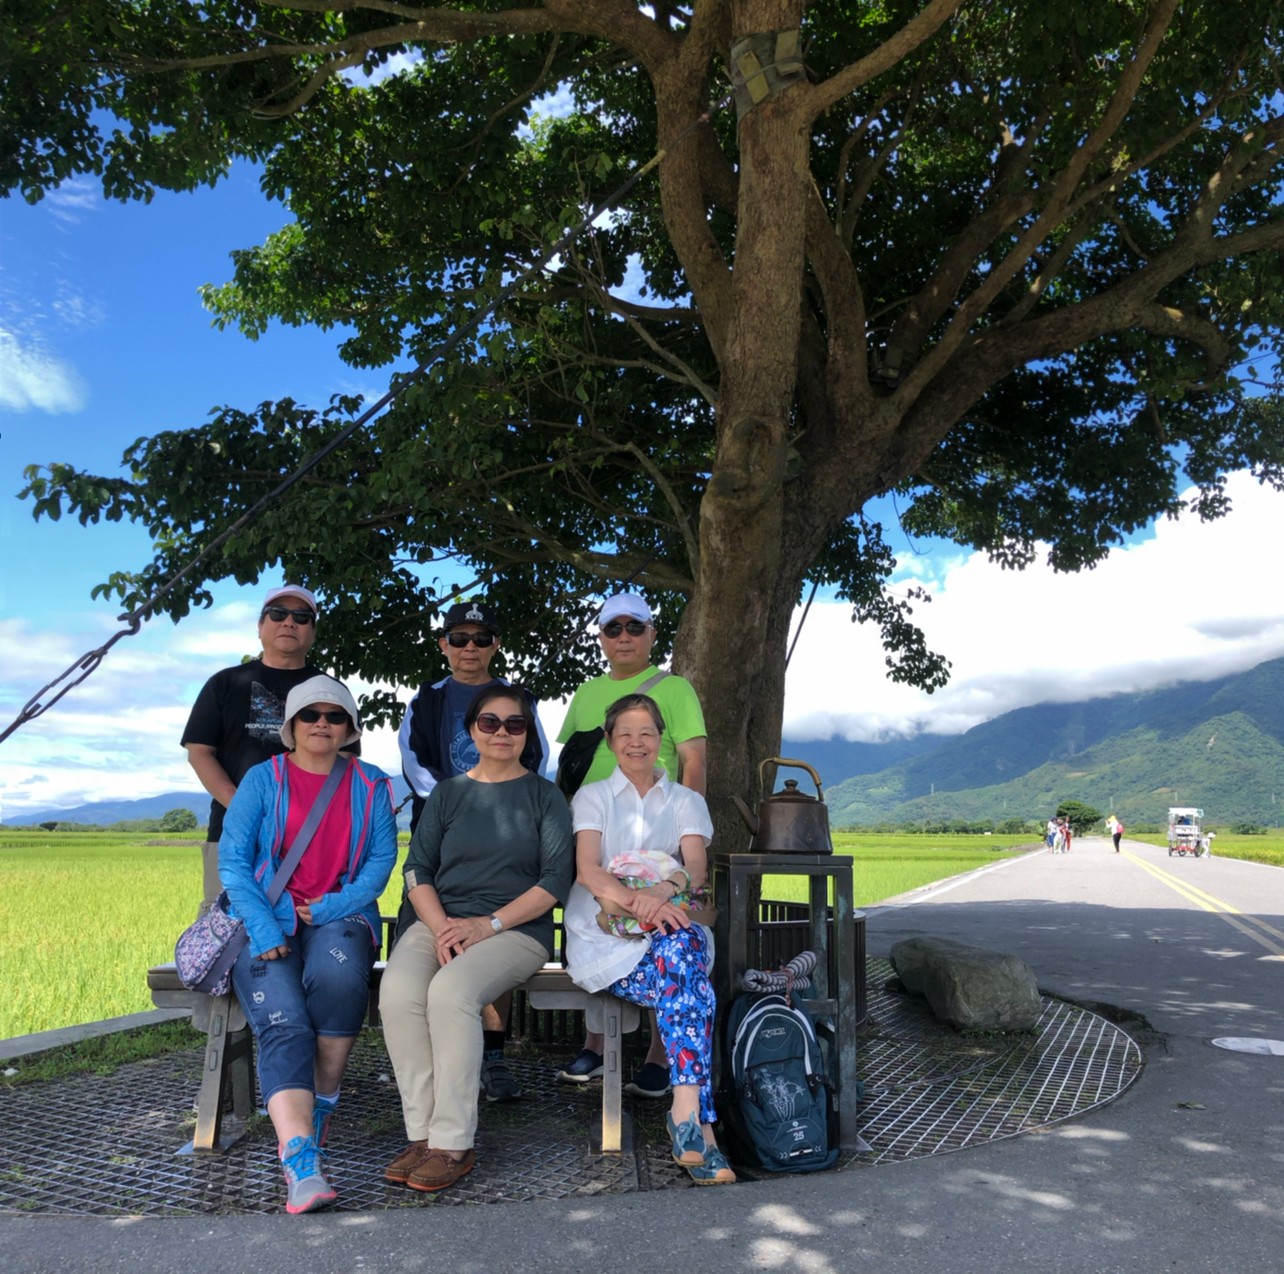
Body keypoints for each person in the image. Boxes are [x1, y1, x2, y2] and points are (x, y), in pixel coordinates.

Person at [380, 686, 573, 1194]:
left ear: (527, 733)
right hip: (441, 921)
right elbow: (417, 868)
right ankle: (422, 1134)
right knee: (399, 992)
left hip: (515, 930)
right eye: (490, 722)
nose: (502, 732)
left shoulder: (544, 796)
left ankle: (453, 1143)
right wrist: (444, 926)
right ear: (471, 731)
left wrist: (486, 926)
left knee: (451, 993)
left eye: (515, 724)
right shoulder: (447, 794)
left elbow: (553, 882)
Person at [218, 675, 396, 1215]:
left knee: (341, 976)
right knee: (286, 1018)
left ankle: (322, 1099)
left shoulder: (370, 783)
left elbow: (379, 866)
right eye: (310, 715)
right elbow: (234, 861)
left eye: (335, 715)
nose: (323, 723)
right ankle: (300, 1159)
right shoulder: (260, 780)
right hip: (265, 918)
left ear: (350, 728)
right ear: (290, 727)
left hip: (339, 916)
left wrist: (325, 908)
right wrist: (267, 928)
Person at [562, 693, 735, 1185]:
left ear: (662, 740)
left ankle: (688, 1116)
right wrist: (639, 903)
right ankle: (700, 1126)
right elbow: (588, 870)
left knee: (680, 952)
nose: (636, 743)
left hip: (674, 920)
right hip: (607, 931)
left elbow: (695, 867)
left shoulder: (686, 800)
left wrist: (663, 891)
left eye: (647, 733)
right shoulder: (594, 796)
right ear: (611, 741)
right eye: (625, 734)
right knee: (691, 987)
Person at [555, 592, 708, 1097]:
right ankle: (686, 1106)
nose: (623, 636)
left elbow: (693, 761)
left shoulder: (677, 689)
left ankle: (663, 1060)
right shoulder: (586, 693)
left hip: (658, 836)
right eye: (613, 627)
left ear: (651, 635)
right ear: (601, 636)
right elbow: (570, 767)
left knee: (669, 936)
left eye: (634, 627)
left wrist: (687, 817)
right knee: (612, 917)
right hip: (596, 832)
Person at [398, 600, 548, 1102]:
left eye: (481, 638)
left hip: (508, 837)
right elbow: (415, 767)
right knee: (426, 944)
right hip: (439, 838)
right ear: (443, 645)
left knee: (494, 935)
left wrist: (493, 800)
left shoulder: (517, 699)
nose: (469, 648)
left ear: (495, 645)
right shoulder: (426, 701)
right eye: (459, 638)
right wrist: (463, 800)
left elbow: (537, 756)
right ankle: (439, 1065)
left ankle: (493, 1053)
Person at [182, 585, 336, 914]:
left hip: (310, 835)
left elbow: (345, 760)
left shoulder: (330, 691)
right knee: (227, 924)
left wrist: (295, 818)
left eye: (301, 617)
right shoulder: (224, 684)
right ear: (260, 625)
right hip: (233, 832)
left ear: (313, 630)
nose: (289, 623)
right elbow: (199, 752)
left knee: (304, 927)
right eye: (278, 614)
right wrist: (246, 810)